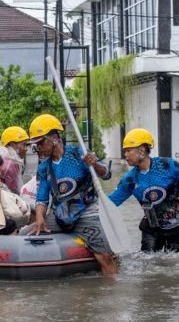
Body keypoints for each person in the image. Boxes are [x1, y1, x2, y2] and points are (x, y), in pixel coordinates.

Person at [26, 113, 119, 275]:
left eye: (40, 143)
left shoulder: (79, 153)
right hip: (60, 215)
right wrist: (40, 218)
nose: (37, 148)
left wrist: (95, 164)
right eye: (35, 145)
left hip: (86, 214)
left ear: (54, 138)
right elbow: (42, 198)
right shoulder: (43, 167)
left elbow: (107, 174)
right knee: (24, 235)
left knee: (104, 257)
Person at [109, 128, 179, 253]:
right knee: (148, 264)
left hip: (177, 226)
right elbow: (111, 202)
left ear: (142, 150)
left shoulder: (168, 165)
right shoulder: (129, 179)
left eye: (128, 150)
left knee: (177, 265)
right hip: (151, 228)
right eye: (125, 151)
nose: (125, 155)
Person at [0, 126, 29, 194]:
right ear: (12, 144)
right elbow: (15, 192)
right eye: (24, 145)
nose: (26, 149)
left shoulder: (2, 155)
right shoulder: (11, 163)